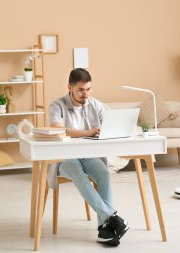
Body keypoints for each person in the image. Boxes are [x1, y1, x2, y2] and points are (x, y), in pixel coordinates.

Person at [47, 68, 130, 246]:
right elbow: (58, 130)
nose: (86, 94)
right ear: (69, 87)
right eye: (81, 90)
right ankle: (111, 217)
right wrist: (88, 132)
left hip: (88, 155)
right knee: (78, 174)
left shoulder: (95, 104)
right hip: (64, 158)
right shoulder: (57, 105)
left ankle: (104, 229)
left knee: (104, 174)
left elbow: (109, 127)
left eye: (88, 89)